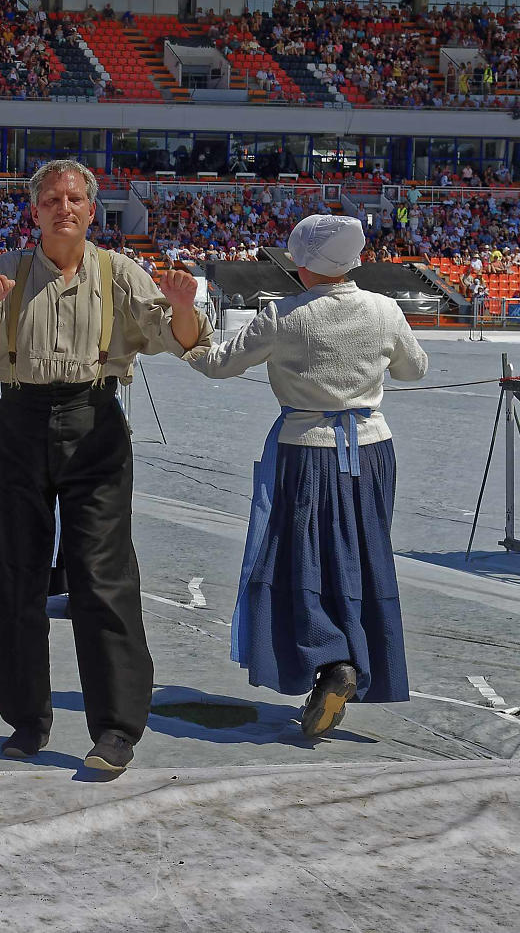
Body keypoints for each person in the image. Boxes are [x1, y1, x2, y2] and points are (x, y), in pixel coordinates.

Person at [0, 159, 209, 775]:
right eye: (51, 198)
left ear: (92, 210)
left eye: (74, 199)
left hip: (94, 419)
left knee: (102, 571)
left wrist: (183, 305)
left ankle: (115, 728)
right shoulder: (5, 271)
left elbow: (183, 340)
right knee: (12, 572)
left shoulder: (120, 273)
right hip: (19, 420)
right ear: (34, 211)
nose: (64, 207)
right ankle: (27, 717)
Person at [187, 214, 425, 737]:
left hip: (306, 450)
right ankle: (358, 657)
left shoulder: (285, 316)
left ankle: (330, 656)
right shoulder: (385, 310)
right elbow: (414, 369)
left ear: (301, 261)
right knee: (364, 554)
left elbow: (219, 364)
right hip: (372, 448)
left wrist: (188, 331)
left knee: (302, 557)